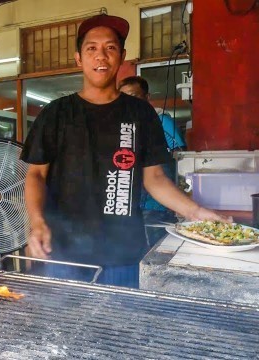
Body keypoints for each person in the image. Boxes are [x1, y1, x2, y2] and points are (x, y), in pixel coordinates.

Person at [20, 14, 227, 288]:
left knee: (119, 327)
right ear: (79, 59)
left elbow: (154, 179)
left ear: (122, 57)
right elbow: (35, 175)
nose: (101, 56)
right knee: (63, 326)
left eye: (110, 48)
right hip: (64, 253)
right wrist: (37, 223)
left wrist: (198, 213)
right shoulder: (55, 114)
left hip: (123, 254)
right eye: (91, 48)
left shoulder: (140, 113)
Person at [118, 76, 187, 248]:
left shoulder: (162, 121)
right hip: (130, 202)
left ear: (147, 97)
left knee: (156, 248)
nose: (129, 102)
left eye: (135, 96)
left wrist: (179, 198)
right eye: (124, 97)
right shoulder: (124, 126)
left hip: (156, 203)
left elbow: (180, 158)